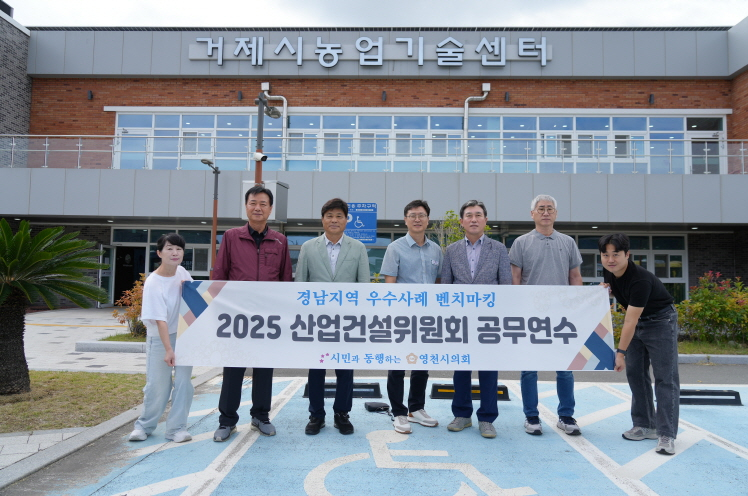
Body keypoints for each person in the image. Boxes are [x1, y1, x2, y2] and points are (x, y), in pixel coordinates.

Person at [212, 185, 292, 442]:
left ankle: (261, 416)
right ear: (246, 206)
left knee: (264, 369)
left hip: (268, 318)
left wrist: (283, 315)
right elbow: (220, 274)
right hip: (237, 317)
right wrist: (220, 311)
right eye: (253, 203)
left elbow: (285, 279)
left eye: (263, 204)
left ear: (270, 209)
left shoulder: (280, 241)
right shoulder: (231, 237)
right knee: (233, 370)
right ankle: (227, 421)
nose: (258, 208)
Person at [599, 233, 680, 456]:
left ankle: (666, 434)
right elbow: (622, 299)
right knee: (635, 374)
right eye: (605, 255)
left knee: (665, 378)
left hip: (661, 321)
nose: (610, 259)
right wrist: (606, 289)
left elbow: (630, 321)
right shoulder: (610, 271)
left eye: (616, 254)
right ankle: (645, 425)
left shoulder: (640, 280)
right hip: (638, 321)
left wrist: (620, 353)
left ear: (627, 254)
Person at [510, 195, 584, 436]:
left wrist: (580, 308)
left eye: (550, 209)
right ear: (532, 214)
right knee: (529, 369)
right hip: (530, 316)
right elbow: (515, 278)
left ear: (556, 213)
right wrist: (517, 310)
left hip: (562, 317)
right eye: (540, 209)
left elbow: (575, 277)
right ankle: (531, 416)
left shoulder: (568, 242)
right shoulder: (521, 243)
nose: (545, 212)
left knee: (565, 369)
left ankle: (566, 415)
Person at [296, 198, 370, 435]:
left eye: (339, 216)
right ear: (322, 219)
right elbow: (301, 284)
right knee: (316, 369)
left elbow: (364, 285)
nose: (334, 220)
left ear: (346, 220)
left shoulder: (358, 248)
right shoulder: (309, 247)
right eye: (329, 216)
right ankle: (316, 415)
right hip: (316, 320)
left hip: (347, 321)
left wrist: (360, 317)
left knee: (345, 369)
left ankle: (342, 414)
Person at [441, 200, 511, 439]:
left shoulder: (499, 249)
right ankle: (462, 415)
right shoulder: (451, 251)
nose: (473, 219)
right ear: (461, 221)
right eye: (469, 215)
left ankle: (487, 418)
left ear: (485, 220)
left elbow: (506, 285)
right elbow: (446, 286)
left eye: (478, 215)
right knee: (461, 368)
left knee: (488, 370)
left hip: (489, 320)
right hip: (460, 320)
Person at [380, 199, 443, 434]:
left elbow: (438, 283)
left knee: (422, 365)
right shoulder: (395, 248)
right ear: (405, 220)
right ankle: (398, 411)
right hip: (402, 317)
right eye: (413, 215)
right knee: (397, 365)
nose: (417, 219)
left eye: (421, 215)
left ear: (428, 220)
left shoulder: (436, 250)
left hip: (427, 318)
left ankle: (416, 408)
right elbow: (390, 285)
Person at [128, 233, 194, 443]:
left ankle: (177, 428)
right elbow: (160, 320)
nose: (175, 253)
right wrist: (168, 349)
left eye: (179, 249)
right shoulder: (153, 282)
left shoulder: (182, 272)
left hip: (184, 336)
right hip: (160, 339)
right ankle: (144, 426)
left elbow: (195, 299)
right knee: (158, 385)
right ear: (159, 253)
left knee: (183, 384)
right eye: (169, 248)